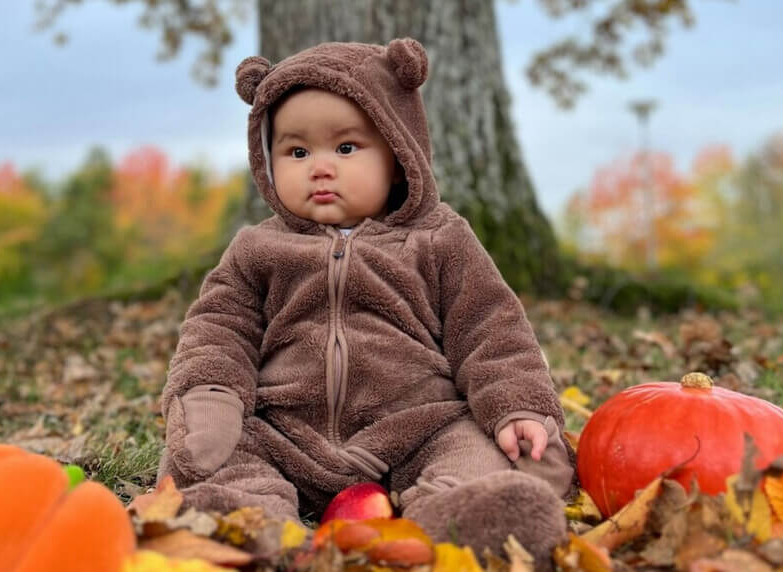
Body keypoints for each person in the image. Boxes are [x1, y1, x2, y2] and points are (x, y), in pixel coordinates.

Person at [159, 38, 574, 566]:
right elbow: (219, 326)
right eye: (297, 151)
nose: (320, 167)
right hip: (286, 430)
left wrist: (516, 403)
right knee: (204, 451)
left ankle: (459, 513)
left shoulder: (440, 240)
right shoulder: (258, 249)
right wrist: (212, 391)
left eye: (347, 148)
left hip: (416, 425)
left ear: (399, 157)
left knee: (474, 446)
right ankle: (247, 519)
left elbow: (491, 328)